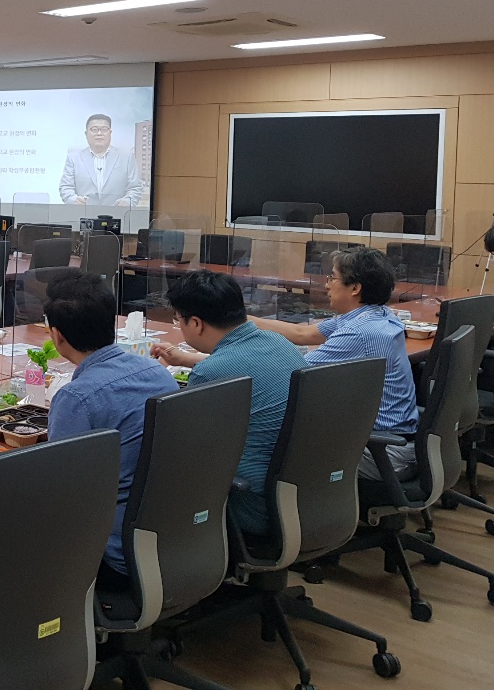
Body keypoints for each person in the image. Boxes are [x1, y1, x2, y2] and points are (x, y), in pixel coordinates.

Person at [44, 272, 178, 584]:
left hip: (114, 553)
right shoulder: (156, 372)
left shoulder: (76, 398)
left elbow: (60, 493)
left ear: (57, 336)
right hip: (172, 535)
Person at [153, 270, 306, 534]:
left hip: (252, 504)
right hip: (299, 494)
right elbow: (243, 363)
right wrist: (187, 359)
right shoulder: (279, 343)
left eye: (178, 320)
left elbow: (188, 451)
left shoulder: (211, 373)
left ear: (196, 323)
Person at [252, 246, 417, 478]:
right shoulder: (374, 315)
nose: (326, 285)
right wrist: (240, 320)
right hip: (393, 440)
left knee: (266, 446)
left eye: (332, 277)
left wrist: (206, 359)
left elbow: (292, 374)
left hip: (383, 452)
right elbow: (302, 333)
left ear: (355, 288)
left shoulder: (360, 332)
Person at [58, 113, 143, 207]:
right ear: (86, 134)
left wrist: (127, 202)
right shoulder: (74, 158)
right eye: (94, 129)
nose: (99, 133)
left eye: (104, 129)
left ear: (110, 133)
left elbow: (135, 187)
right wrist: (74, 200)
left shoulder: (126, 157)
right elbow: (66, 187)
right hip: (83, 214)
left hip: (117, 214)